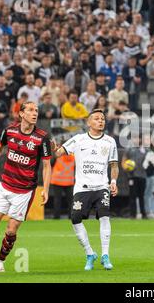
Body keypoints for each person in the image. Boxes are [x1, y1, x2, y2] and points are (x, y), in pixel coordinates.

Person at [0, 101, 52, 272]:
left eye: (37, 110)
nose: (35, 113)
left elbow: (47, 165)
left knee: (11, 231)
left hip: (24, 191)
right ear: (21, 114)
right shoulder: (9, 131)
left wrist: (45, 189)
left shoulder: (42, 137)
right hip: (5, 186)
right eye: (31, 110)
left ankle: (0, 261)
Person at [55, 109, 119, 271]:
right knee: (75, 218)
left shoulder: (110, 141)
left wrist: (113, 181)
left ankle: (105, 255)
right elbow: (58, 153)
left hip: (101, 187)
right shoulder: (78, 139)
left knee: (104, 217)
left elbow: (114, 165)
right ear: (88, 123)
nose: (101, 121)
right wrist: (53, 148)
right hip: (82, 188)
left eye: (103, 119)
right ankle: (90, 253)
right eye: (96, 119)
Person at [121, 136, 148, 219]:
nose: (136, 140)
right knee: (133, 195)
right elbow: (123, 160)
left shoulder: (145, 150)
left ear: (141, 139)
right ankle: (133, 214)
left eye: (138, 138)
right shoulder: (129, 149)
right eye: (135, 138)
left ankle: (143, 214)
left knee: (141, 196)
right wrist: (125, 167)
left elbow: (150, 160)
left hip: (143, 175)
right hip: (132, 176)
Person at [50, 146, 75, 219]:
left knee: (57, 200)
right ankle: (71, 216)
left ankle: (56, 217)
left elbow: (50, 164)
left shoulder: (57, 155)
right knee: (71, 201)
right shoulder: (73, 156)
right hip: (69, 181)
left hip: (57, 181)